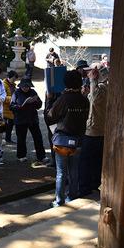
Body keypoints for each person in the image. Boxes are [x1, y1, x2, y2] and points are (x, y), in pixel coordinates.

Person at [47, 70, 89, 207]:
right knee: (74, 171)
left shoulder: (63, 99)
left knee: (61, 173)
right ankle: (73, 196)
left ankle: (59, 201)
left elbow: (51, 115)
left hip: (63, 142)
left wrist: (49, 99)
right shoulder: (84, 100)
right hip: (78, 141)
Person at [79, 63, 108, 197]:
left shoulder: (102, 87)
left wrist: (92, 80)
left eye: (90, 72)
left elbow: (95, 100)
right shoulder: (101, 87)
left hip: (95, 130)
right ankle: (94, 185)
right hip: (100, 130)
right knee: (96, 160)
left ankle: (85, 188)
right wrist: (87, 93)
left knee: (86, 161)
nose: (88, 74)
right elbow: (93, 100)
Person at [10, 78, 48, 165]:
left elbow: (39, 104)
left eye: (28, 86)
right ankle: (21, 156)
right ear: (21, 86)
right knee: (21, 139)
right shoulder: (16, 93)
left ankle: (41, 156)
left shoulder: (33, 92)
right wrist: (20, 106)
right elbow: (12, 106)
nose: (26, 88)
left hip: (32, 119)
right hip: (20, 119)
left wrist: (35, 101)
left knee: (38, 138)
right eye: (24, 86)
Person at [3, 70, 18, 144]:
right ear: (9, 77)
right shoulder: (3, 85)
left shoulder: (14, 85)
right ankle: (4, 139)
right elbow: (2, 97)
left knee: (11, 125)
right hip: (5, 109)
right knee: (6, 125)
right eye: (13, 79)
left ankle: (8, 138)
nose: (14, 80)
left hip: (12, 109)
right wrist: (12, 99)